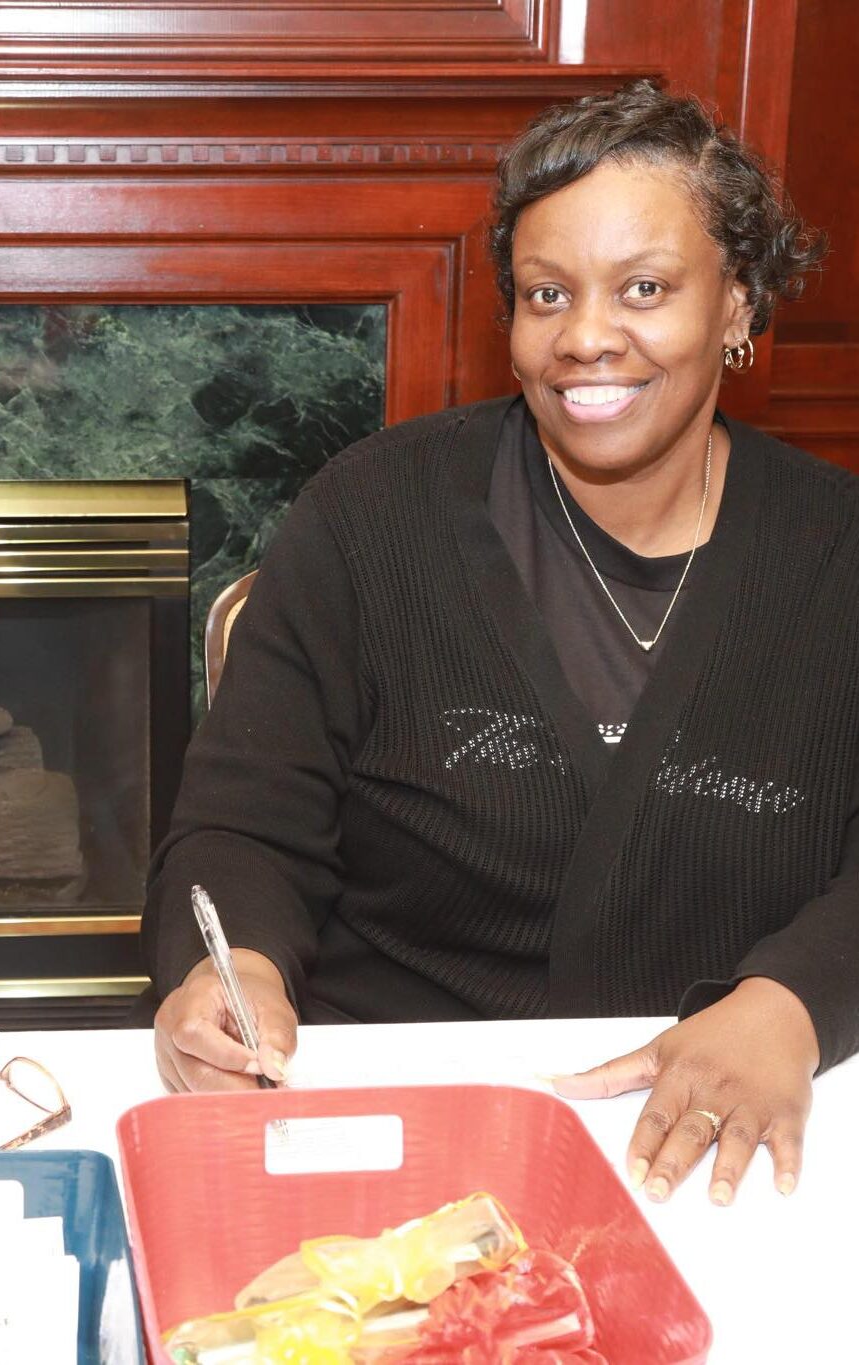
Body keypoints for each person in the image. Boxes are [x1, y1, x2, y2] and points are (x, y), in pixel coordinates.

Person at [143, 80, 850, 1208]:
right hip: (401, 1123)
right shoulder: (372, 516)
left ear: (739, 304)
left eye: (646, 289)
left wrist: (796, 999)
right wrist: (236, 979)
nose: (583, 338)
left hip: (731, 1133)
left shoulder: (839, 554)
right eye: (545, 293)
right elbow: (243, 826)